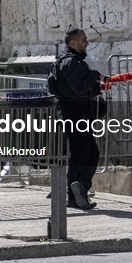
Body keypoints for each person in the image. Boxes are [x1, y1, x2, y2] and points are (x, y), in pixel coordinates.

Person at [49, 28, 102, 210]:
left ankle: (76, 192)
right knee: (85, 155)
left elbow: (82, 89)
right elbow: (79, 88)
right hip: (75, 115)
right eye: (83, 40)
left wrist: (98, 86)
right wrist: (94, 76)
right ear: (73, 42)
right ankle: (78, 188)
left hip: (74, 114)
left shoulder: (70, 62)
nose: (87, 43)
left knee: (85, 154)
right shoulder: (71, 63)